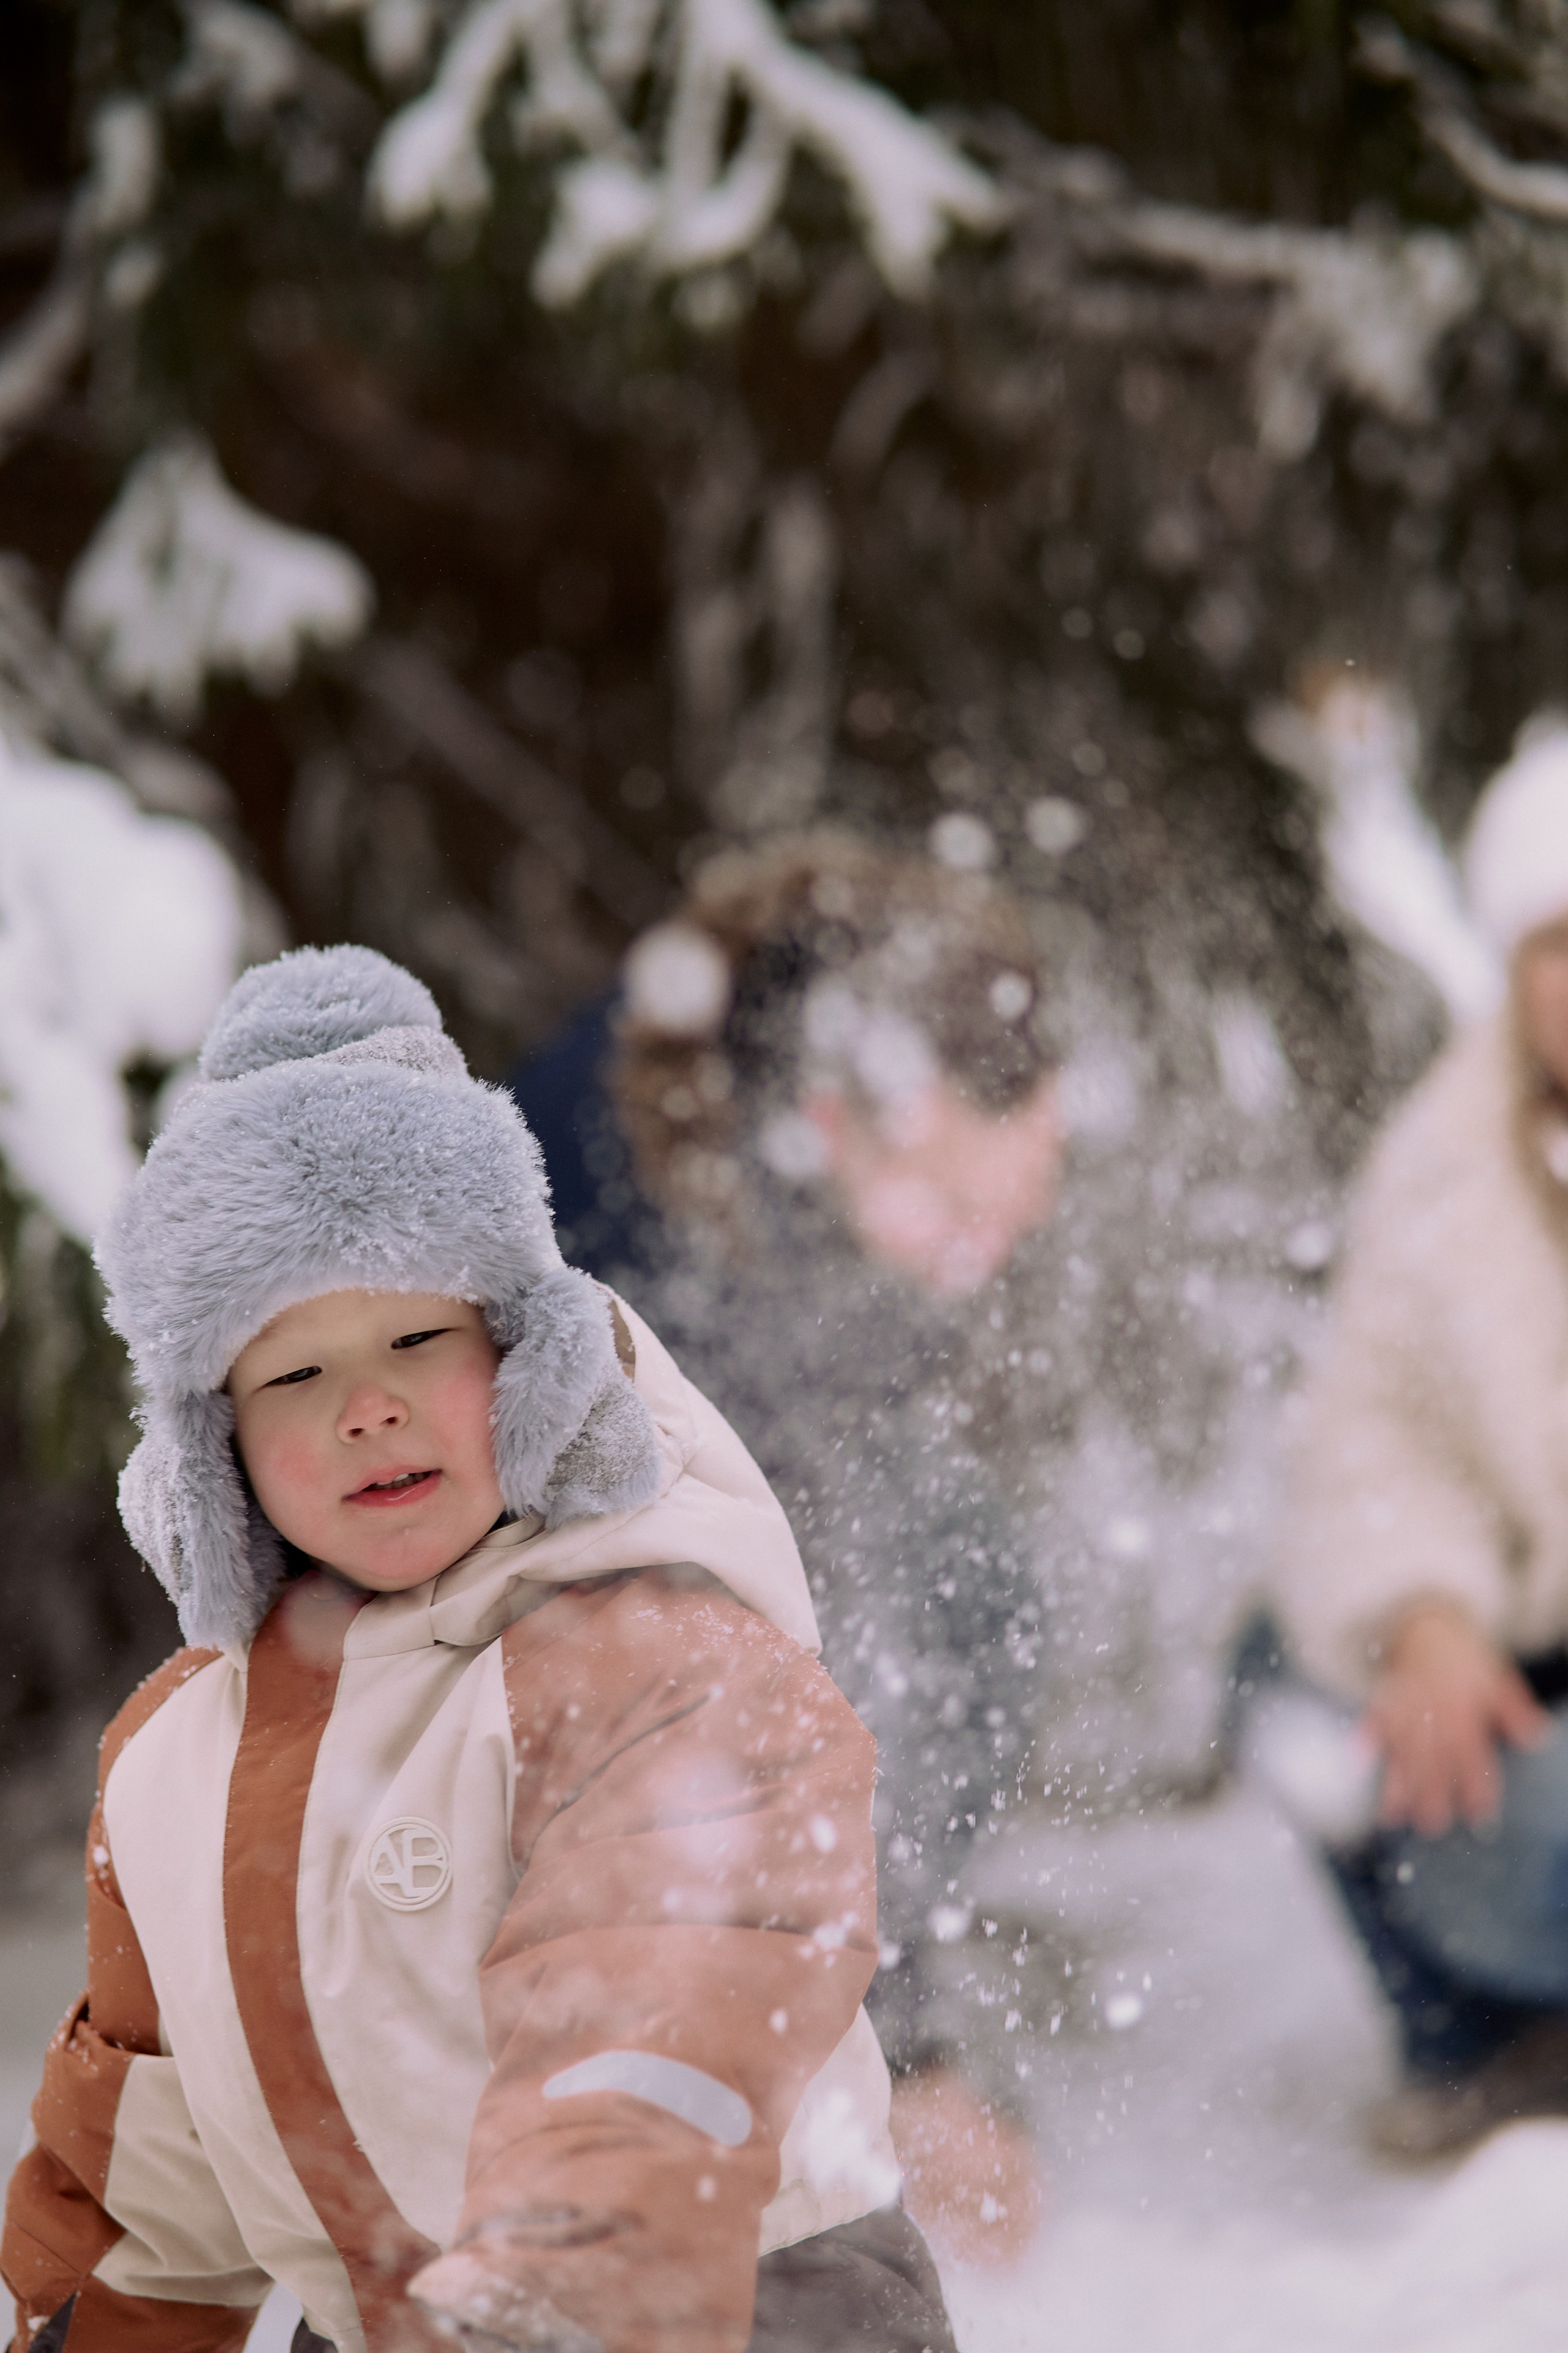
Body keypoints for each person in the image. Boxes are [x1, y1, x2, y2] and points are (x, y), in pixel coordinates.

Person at [0, 945, 959, 2353]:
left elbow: (666, 2009)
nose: (367, 1408)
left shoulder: (647, 1656)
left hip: (743, 2298)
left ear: (526, 1353)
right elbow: (158, 2187)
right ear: (212, 1444)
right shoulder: (171, 1771)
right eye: (296, 1373)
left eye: (412, 1337)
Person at [599, 834, 1062, 2261]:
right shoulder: (716, 1290)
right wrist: (900, 2062)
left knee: (968, 1562)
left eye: (1014, 1202)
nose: (976, 1253)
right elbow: (777, 1702)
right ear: (833, 1115)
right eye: (952, 1205)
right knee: (927, 1581)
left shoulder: (799, 1116)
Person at [1272, 718, 1568, 2159]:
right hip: (1522, 1655)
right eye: (1560, 943)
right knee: (1280, 1676)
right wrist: (1423, 1612)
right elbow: (1370, 1427)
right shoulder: (1442, 1163)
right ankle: (1480, 2039)